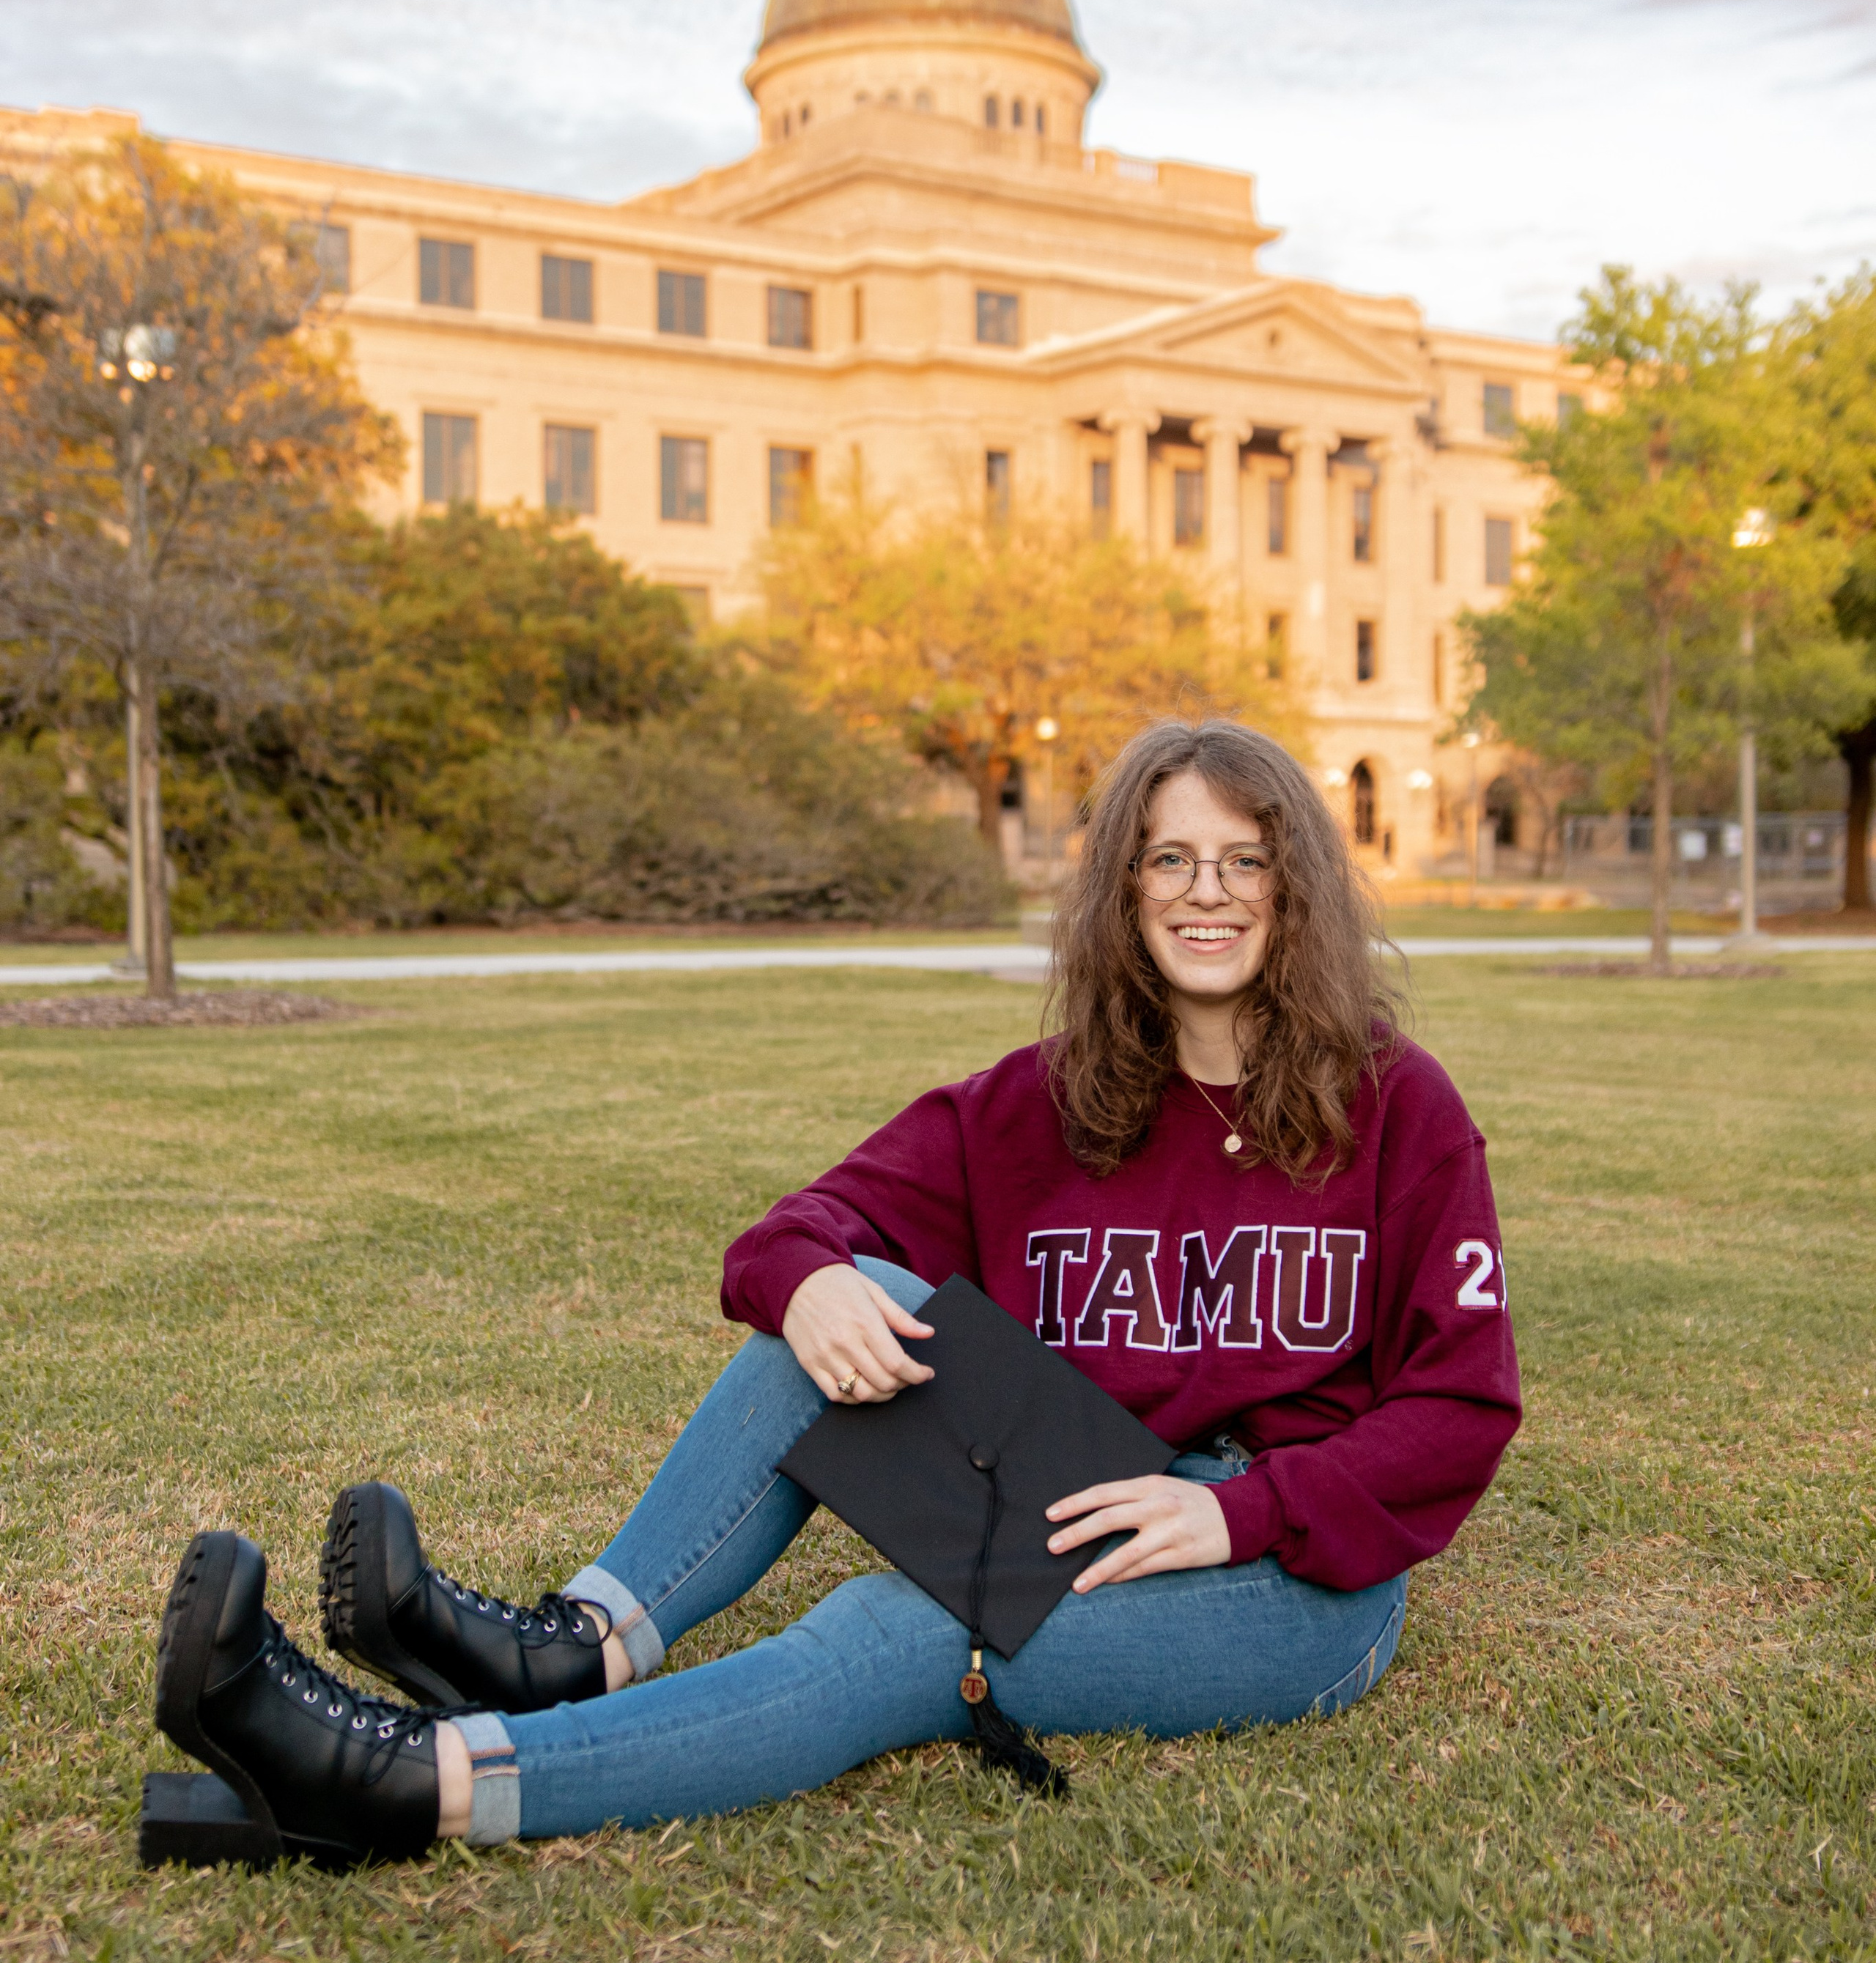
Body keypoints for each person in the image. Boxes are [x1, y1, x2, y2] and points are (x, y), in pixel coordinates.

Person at [154, 719, 1521, 1869]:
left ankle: (411, 1778)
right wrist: (807, 1286)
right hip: (1088, 1492)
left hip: (1294, 1584)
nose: (1207, 893)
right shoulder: (1045, 1102)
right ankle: (574, 1646)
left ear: (1297, 892)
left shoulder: (1396, 1107)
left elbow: (1461, 1409)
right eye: (1170, 858)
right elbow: (797, 1230)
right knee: (847, 1296)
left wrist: (1238, 1511)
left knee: (895, 1632)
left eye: (1246, 861)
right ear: (1122, 889)